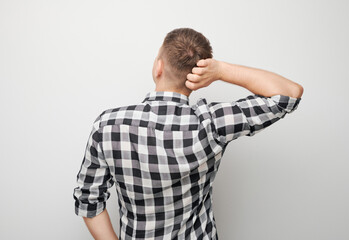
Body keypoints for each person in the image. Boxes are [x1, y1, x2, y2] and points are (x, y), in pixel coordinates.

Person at [73, 27, 303, 240]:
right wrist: (222, 70)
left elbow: (88, 200)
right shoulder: (211, 122)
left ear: (158, 67)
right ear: (198, 78)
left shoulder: (108, 125)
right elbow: (289, 94)